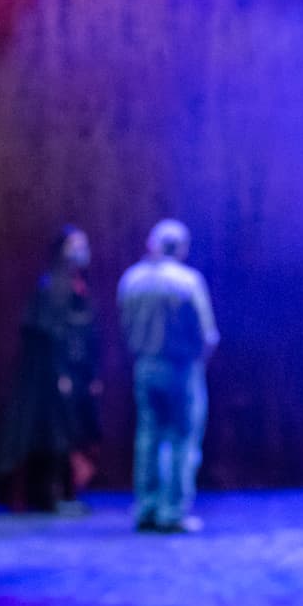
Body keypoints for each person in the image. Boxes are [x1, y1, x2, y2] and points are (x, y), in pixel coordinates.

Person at [0, 226, 102, 512]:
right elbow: (47, 336)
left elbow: (84, 335)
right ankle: (52, 495)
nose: (80, 251)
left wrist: (90, 375)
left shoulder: (78, 288)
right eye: (74, 245)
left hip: (76, 374)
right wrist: (59, 373)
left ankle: (66, 492)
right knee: (54, 435)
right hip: (52, 377)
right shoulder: (50, 287)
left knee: (72, 433)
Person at [118, 219, 218, 533]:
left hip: (145, 366)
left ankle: (146, 507)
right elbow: (207, 335)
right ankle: (172, 511)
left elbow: (124, 327)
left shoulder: (131, 280)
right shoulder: (187, 281)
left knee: (148, 437)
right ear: (183, 248)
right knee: (181, 439)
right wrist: (197, 363)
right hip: (180, 368)